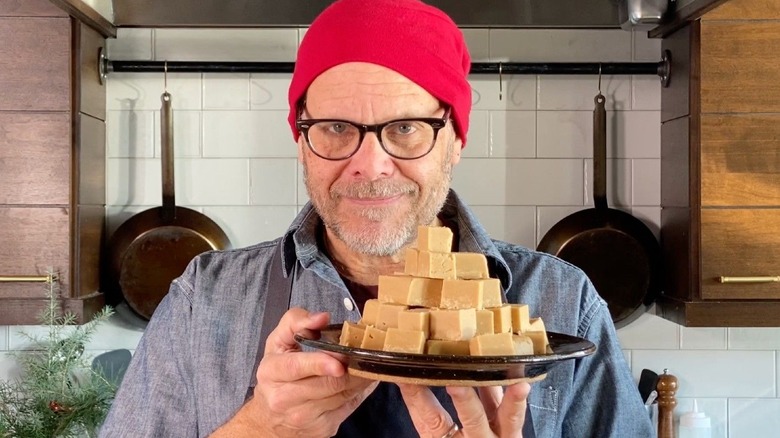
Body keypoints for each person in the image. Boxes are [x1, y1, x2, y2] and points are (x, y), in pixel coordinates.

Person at [100, 0, 654, 436]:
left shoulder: (563, 302)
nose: (369, 165)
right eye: (336, 128)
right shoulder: (204, 299)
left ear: (455, 140)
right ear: (301, 140)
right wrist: (261, 429)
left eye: (406, 128)